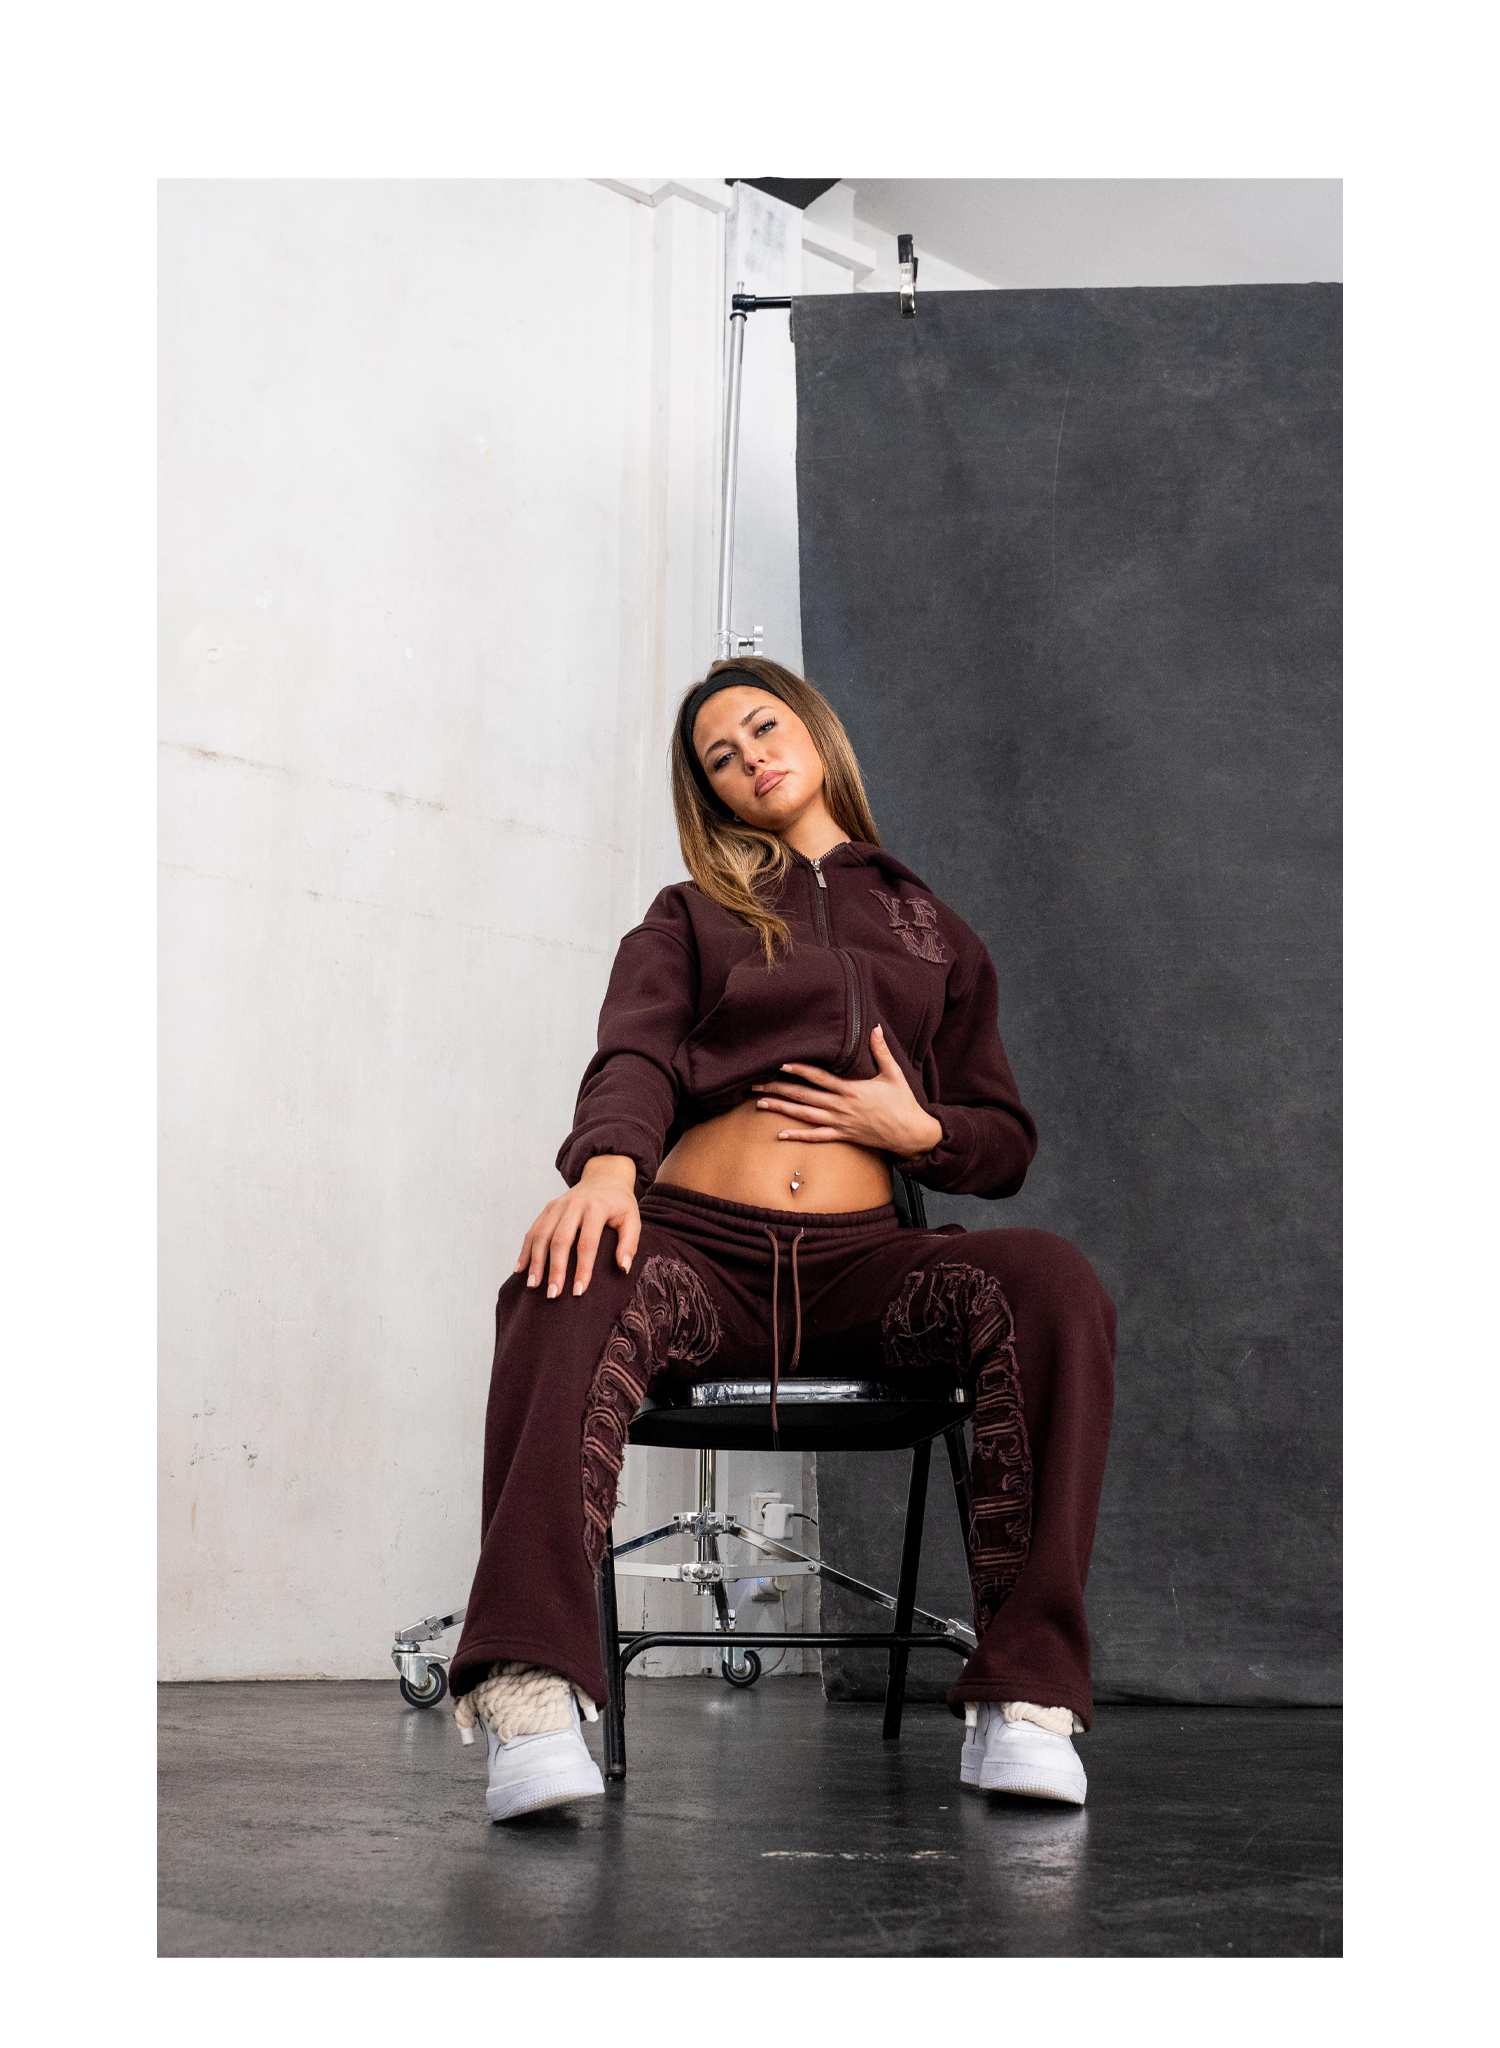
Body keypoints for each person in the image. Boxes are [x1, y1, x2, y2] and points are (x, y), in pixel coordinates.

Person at [450, 658, 1116, 1820]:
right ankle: (531, 1684)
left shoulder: (933, 930)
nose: (750, 755)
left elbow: (1002, 1138)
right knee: (564, 1275)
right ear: (710, 792)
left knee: (1052, 1281)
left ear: (813, 730)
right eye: (721, 755)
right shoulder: (690, 914)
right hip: (701, 1255)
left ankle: (1028, 1693)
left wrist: (921, 1129)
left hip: (866, 1267)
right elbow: (634, 1052)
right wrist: (607, 1166)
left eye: (763, 726)